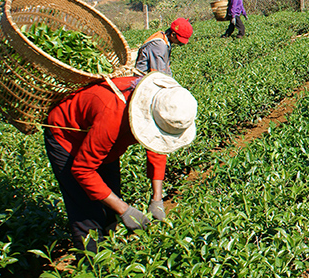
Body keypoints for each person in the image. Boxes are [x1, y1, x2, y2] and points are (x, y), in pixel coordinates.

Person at [44, 72, 198, 252]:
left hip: (105, 143)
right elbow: (83, 170)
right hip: (68, 139)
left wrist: (157, 198)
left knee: (111, 200)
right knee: (87, 213)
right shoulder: (112, 114)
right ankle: (91, 265)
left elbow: (157, 148)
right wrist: (125, 209)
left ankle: (109, 254)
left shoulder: (163, 103)